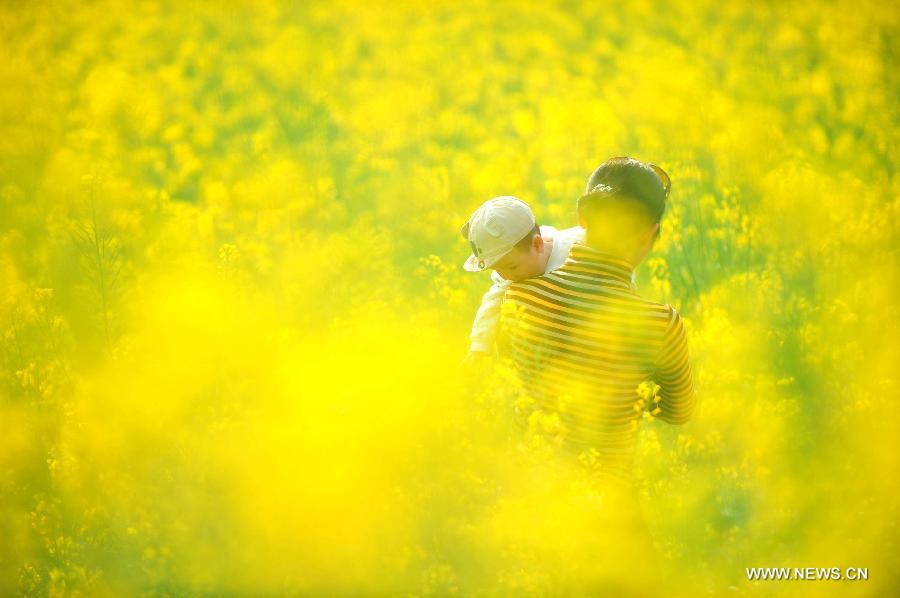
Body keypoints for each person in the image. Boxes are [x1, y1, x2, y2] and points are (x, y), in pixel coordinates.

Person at [497, 156, 696, 593]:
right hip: (612, 516)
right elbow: (678, 412)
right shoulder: (660, 326)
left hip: (530, 513)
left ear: (582, 218)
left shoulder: (519, 299)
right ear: (652, 235)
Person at [459, 196, 635, 368]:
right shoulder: (510, 268)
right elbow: (492, 304)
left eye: (512, 267)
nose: (505, 277)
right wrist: (479, 348)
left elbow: (618, 274)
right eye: (497, 270)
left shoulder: (577, 250)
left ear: (537, 244)